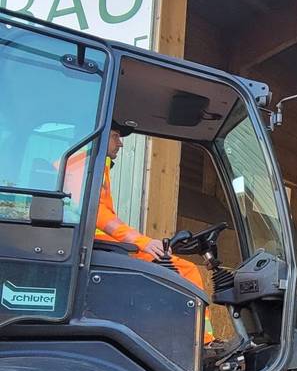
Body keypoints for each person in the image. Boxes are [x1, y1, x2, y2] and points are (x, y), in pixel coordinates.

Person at [66, 124, 214, 343]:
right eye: (115, 136)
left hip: (99, 247)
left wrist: (142, 242)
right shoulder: (83, 165)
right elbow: (97, 214)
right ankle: (203, 341)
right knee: (187, 270)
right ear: (98, 136)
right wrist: (143, 242)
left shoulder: (92, 166)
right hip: (96, 250)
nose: (120, 143)